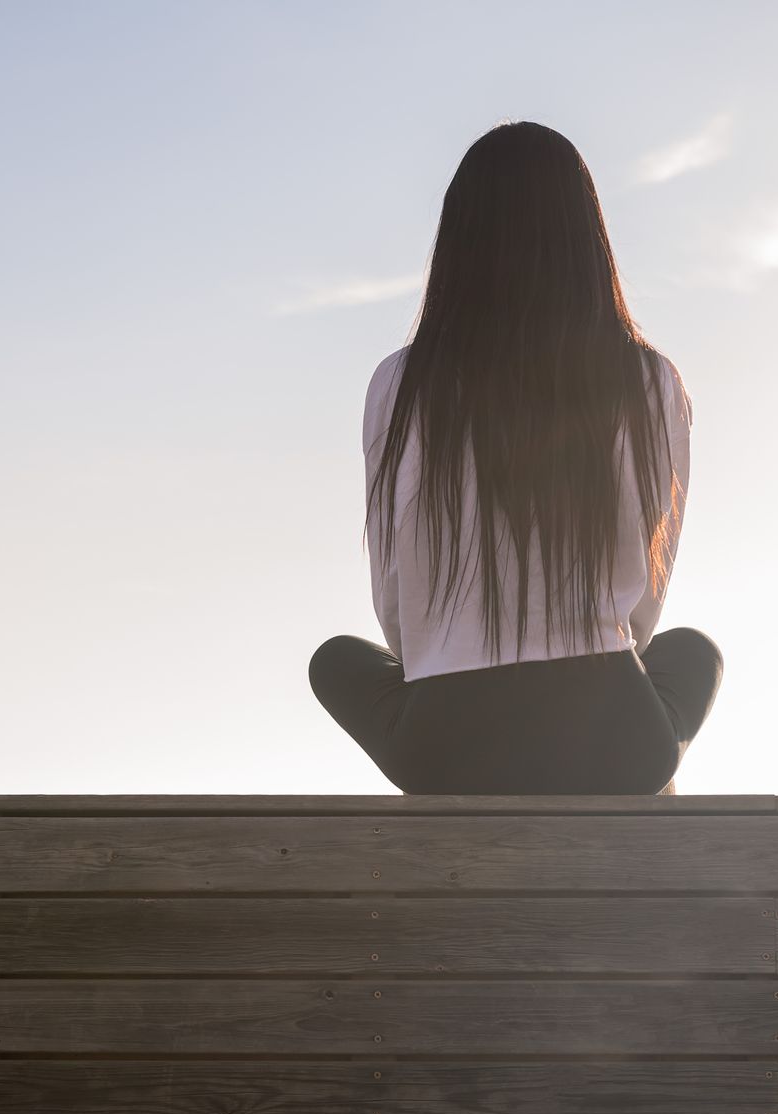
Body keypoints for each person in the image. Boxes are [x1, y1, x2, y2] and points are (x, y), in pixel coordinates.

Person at [308, 121, 722, 795]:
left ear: (460, 241)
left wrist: (446, 668)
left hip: (444, 748)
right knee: (694, 653)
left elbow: (395, 591)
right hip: (617, 740)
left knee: (335, 661)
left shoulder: (400, 382)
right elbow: (646, 589)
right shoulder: (648, 379)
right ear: (586, 239)